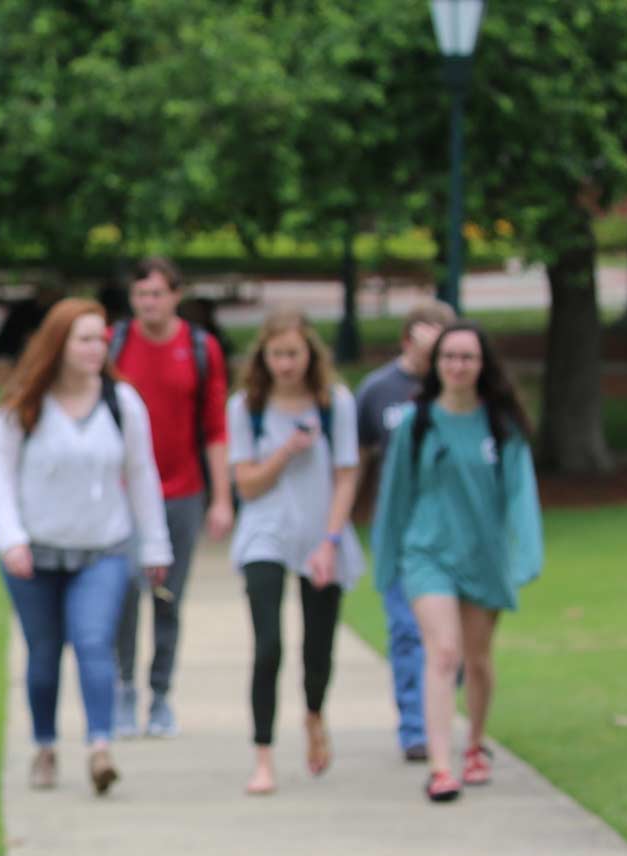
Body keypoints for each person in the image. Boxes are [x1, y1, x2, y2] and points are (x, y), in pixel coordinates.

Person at [0, 299, 172, 794]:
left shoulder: (121, 402)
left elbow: (141, 473)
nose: (96, 348)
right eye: (84, 338)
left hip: (103, 550)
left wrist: (155, 546)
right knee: (44, 652)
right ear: (58, 343)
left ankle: (100, 749)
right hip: (35, 555)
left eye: (101, 338)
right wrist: (11, 540)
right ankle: (45, 747)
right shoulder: (25, 402)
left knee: (93, 643)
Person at [371, 322, 543, 803]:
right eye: (450, 357)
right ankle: (441, 767)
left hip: (483, 556)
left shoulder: (501, 424)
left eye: (468, 357)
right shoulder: (416, 422)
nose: (458, 366)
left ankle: (475, 745)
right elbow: (395, 496)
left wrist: (524, 555)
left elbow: (520, 495)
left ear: (482, 364)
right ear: (436, 364)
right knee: (442, 653)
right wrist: (387, 559)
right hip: (427, 554)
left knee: (477, 659)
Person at [227, 310, 365, 795]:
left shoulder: (335, 403)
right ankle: (263, 756)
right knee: (268, 647)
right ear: (263, 357)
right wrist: (286, 451)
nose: (286, 364)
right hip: (264, 533)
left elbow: (347, 474)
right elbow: (247, 483)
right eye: (277, 354)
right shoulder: (248, 406)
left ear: (311, 355)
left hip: (320, 533)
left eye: (294, 354)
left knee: (317, 648)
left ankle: (313, 716)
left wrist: (330, 542)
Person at [108, 256, 232, 737]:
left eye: (157, 294)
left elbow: (215, 429)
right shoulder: (115, 345)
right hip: (124, 496)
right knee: (122, 597)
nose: (149, 303)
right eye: (141, 295)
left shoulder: (201, 349)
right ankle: (124, 689)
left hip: (182, 493)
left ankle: (160, 695)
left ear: (176, 296)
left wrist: (222, 499)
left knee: (167, 597)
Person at [354, 300, 456, 762]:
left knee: (453, 637)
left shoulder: (457, 390)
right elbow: (357, 457)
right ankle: (415, 728)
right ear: (406, 339)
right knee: (405, 630)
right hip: (397, 528)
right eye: (426, 341)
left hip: (451, 529)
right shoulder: (378, 390)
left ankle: (442, 713)